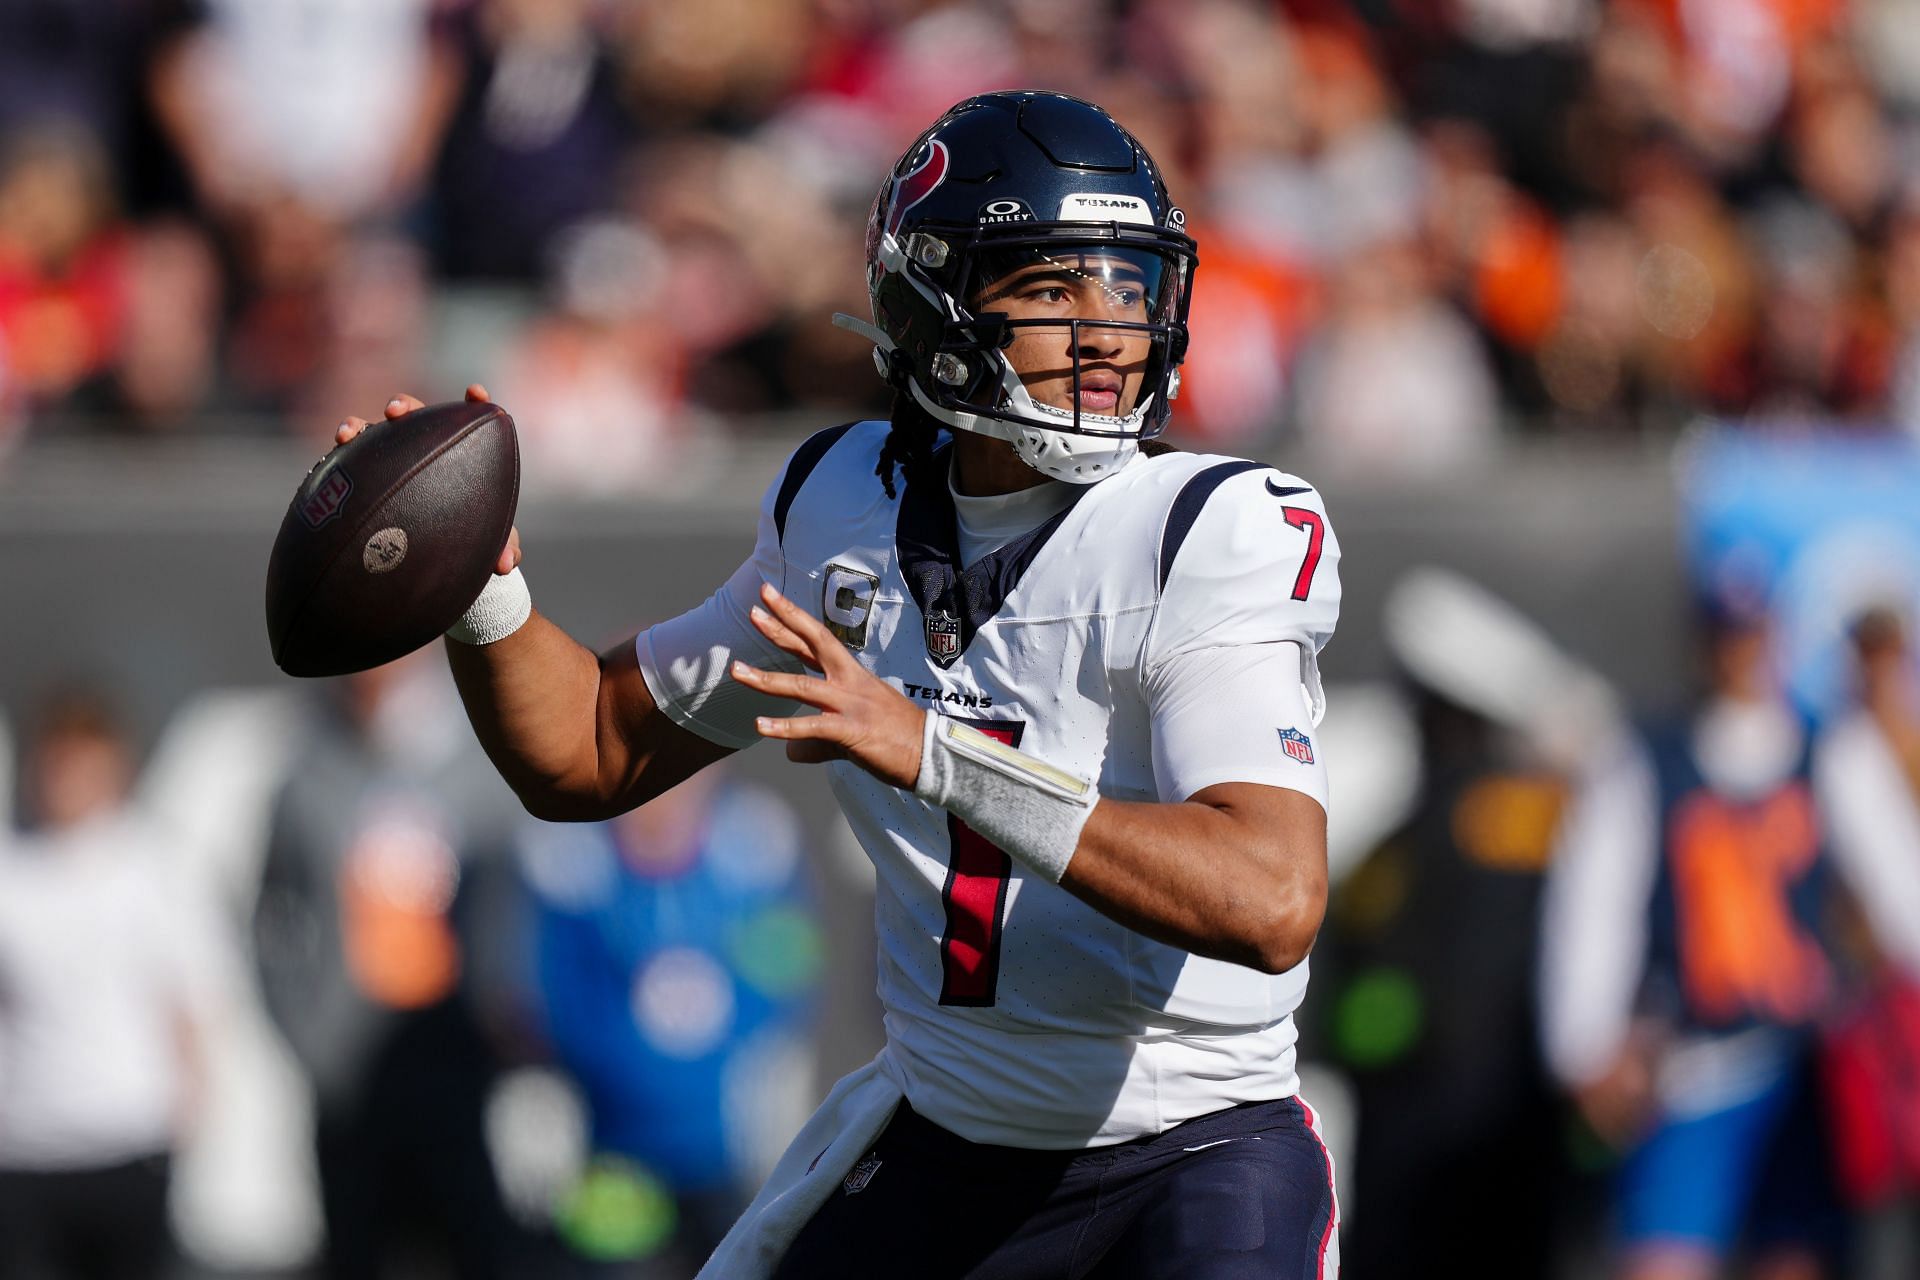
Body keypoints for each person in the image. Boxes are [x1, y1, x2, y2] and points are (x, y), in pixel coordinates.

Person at [339, 91, 1342, 1278]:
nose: (1107, 332)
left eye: (1128, 287)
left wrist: (931, 748)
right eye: (1055, 288)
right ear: (937, 298)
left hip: (1191, 1151)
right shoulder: (841, 510)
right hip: (948, 1138)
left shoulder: (1208, 529)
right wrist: (481, 592)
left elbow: (1272, 895)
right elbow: (589, 750)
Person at [0, 687, 229, 1280]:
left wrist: (189, 1116)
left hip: (128, 1139)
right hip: (24, 1146)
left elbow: (191, 1000)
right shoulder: (11, 868)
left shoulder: (153, 865)